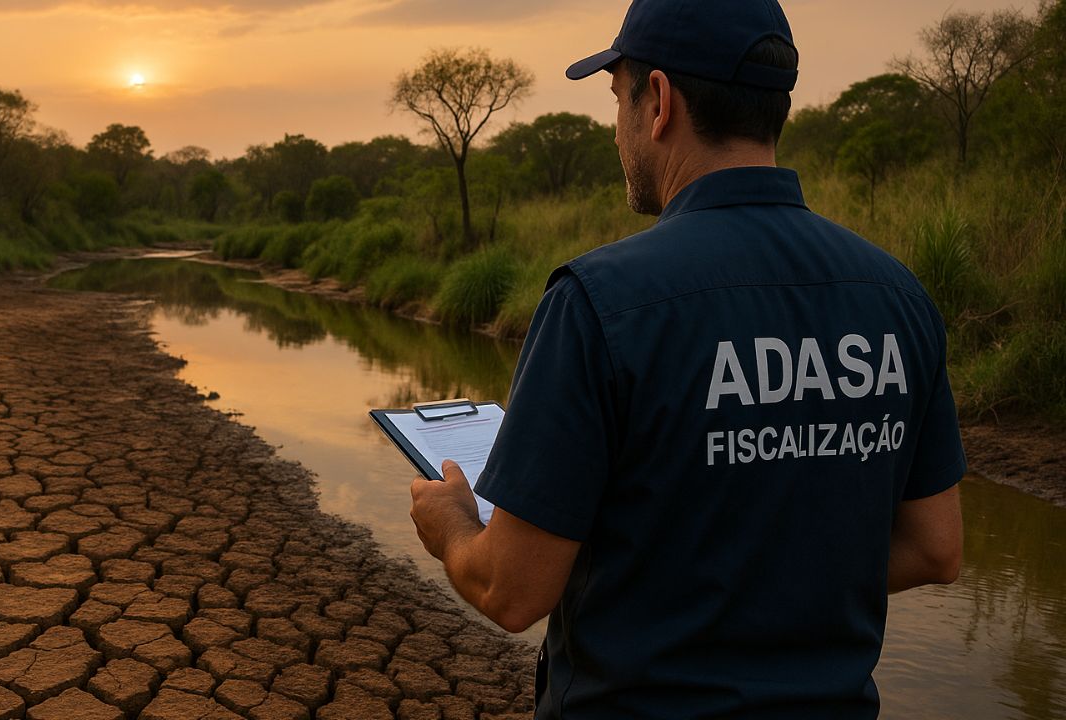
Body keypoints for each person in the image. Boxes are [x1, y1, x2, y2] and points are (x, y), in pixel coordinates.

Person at [407, 0, 966, 717]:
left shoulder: (597, 302)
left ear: (660, 101)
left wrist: (453, 522)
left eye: (618, 99)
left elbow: (512, 592)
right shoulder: (898, 296)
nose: (618, 131)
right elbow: (936, 548)